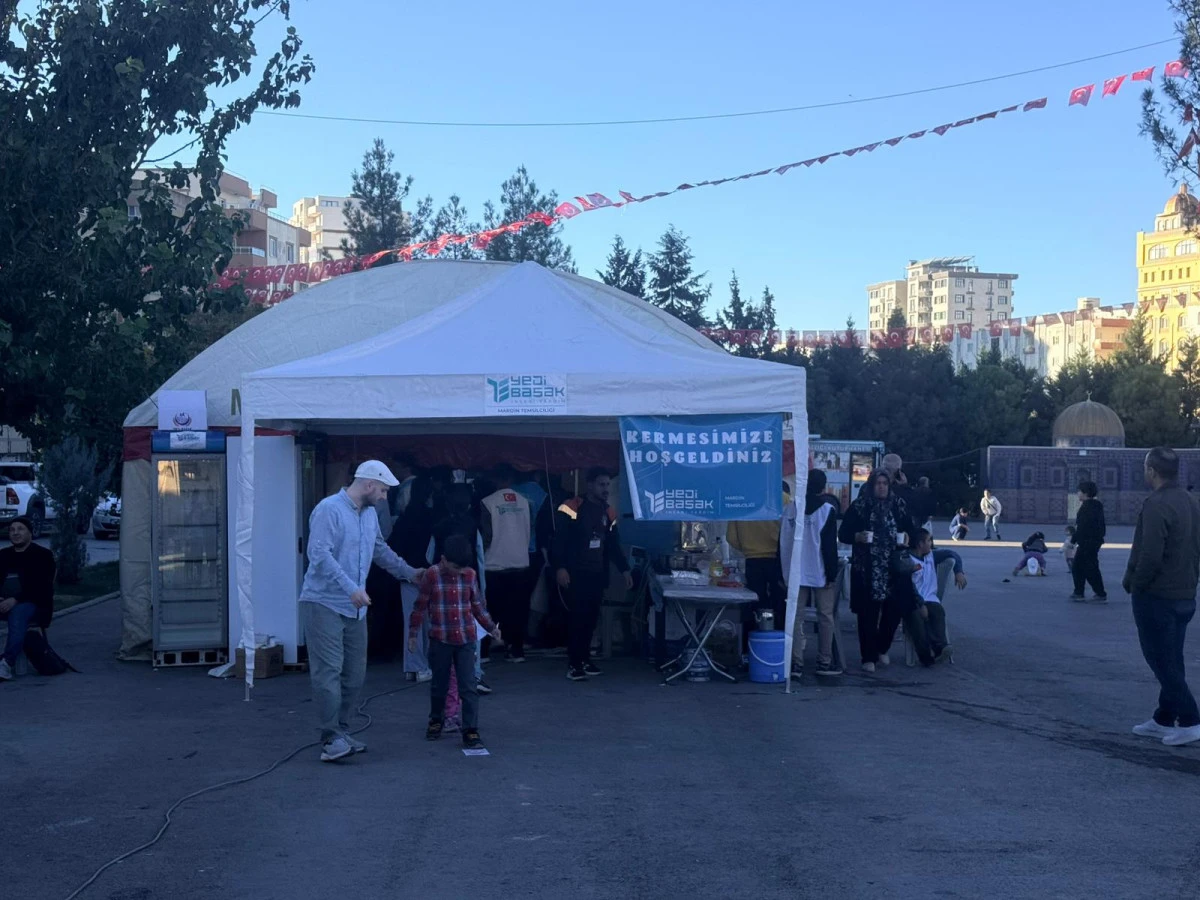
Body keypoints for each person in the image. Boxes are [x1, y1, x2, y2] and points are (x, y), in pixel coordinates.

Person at [300, 461, 425, 763]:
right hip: (324, 602)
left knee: (354, 675)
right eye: (383, 491)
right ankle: (330, 738)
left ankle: (341, 731)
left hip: (354, 606)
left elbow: (379, 549)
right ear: (369, 485)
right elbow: (318, 554)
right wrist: (351, 588)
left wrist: (410, 573)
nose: (384, 497)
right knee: (329, 672)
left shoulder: (368, 515)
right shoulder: (329, 509)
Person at [1123, 447, 1200, 747]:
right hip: (1184, 594)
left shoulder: (1156, 504)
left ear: (1152, 470)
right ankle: (1164, 717)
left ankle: (1191, 720)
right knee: (1172, 658)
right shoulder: (1191, 501)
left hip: (1158, 596)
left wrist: (1136, 584)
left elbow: (1150, 554)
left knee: (1161, 661)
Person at [410, 534, 500, 751]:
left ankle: (470, 729)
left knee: (468, 686)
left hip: (465, 638)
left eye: (462, 568)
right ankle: (436, 719)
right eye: (455, 567)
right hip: (440, 638)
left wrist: (491, 628)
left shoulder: (469, 575)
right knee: (439, 684)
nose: (459, 572)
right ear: (443, 559)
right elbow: (420, 605)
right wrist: (413, 633)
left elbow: (477, 606)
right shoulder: (432, 575)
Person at [553, 467, 632, 682]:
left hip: (597, 574)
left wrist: (624, 569)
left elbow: (613, 545)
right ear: (589, 485)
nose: (605, 489)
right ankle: (574, 663)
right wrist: (560, 567)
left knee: (590, 618)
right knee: (577, 618)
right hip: (575, 573)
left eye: (607, 485)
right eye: (601, 484)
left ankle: (585, 659)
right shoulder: (572, 507)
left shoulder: (609, 512)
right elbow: (559, 540)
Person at [838, 469, 916, 673]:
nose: (881, 487)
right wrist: (857, 537)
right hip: (867, 568)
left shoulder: (898, 505)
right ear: (871, 486)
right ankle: (868, 657)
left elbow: (912, 530)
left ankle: (882, 647)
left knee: (894, 611)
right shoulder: (860, 506)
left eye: (885, 483)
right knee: (867, 615)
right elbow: (843, 533)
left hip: (893, 567)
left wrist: (908, 538)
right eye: (877, 483)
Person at [432, 483, 492, 694]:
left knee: (443, 633)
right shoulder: (473, 526)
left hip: (442, 588)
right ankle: (473, 675)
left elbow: (429, 555)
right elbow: (480, 559)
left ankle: (448, 679)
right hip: (468, 586)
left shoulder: (439, 527)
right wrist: (482, 589)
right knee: (471, 632)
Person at [781, 469, 841, 677]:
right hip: (820, 570)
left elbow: (784, 542)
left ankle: (796, 662)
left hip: (795, 570)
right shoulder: (827, 510)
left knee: (796, 617)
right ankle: (824, 660)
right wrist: (831, 574)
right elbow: (829, 547)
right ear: (823, 488)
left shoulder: (790, 509)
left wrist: (784, 571)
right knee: (825, 616)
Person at [728, 480, 789, 653]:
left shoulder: (740, 500)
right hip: (778, 560)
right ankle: (779, 648)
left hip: (753, 560)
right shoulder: (784, 499)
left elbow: (731, 537)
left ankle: (749, 649)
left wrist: (748, 547)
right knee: (780, 604)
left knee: (752, 603)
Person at [480, 465, 534, 663]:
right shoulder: (526, 502)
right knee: (517, 611)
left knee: (490, 610)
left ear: (495, 480)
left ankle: (484, 651)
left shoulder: (487, 502)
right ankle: (516, 650)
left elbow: (486, 536)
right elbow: (530, 529)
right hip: (520, 562)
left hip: (494, 564)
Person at [388, 476, 436, 681]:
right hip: (429, 574)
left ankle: (413, 667)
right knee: (430, 622)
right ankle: (424, 664)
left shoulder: (404, 519)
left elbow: (393, 546)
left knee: (412, 621)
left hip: (407, 574)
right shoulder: (433, 518)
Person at [0, 516, 57, 681]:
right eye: (12, 530)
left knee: (18, 612)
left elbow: (42, 587)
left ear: (30, 533)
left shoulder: (43, 556)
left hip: (34, 604)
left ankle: (6, 663)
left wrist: (15, 600)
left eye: (20, 529)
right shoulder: (3, 555)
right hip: (4, 602)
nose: (15, 533)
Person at [906, 528, 951, 665]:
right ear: (920, 544)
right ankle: (925, 656)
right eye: (928, 540)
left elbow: (952, 554)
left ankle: (940, 648)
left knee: (937, 611)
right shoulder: (908, 560)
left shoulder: (931, 555)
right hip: (913, 600)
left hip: (930, 599)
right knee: (917, 618)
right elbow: (908, 586)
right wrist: (920, 604)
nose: (931, 543)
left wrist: (959, 571)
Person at [1071, 480, 1108, 603]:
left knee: (1083, 567)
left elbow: (1082, 527)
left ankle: (1094, 593)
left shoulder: (1086, 508)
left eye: (1079, 491)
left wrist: (1072, 541)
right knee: (1087, 566)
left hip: (1087, 542)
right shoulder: (1097, 505)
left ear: (1085, 493)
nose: (1078, 493)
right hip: (1094, 541)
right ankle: (1081, 592)